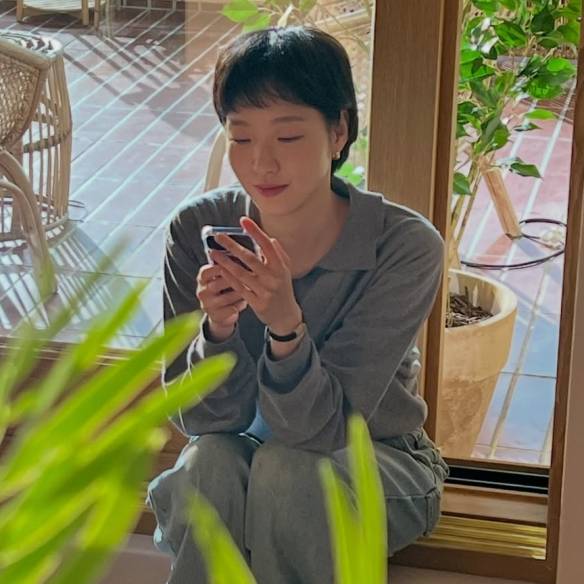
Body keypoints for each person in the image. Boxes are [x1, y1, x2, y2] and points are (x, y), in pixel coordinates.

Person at [146, 25, 449, 584]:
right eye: (240, 138)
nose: (261, 164)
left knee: (288, 471)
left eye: (287, 137)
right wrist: (218, 331)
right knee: (207, 465)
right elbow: (203, 423)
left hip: (380, 456)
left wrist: (286, 327)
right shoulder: (195, 231)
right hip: (247, 450)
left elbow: (323, 433)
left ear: (339, 131)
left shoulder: (402, 245)